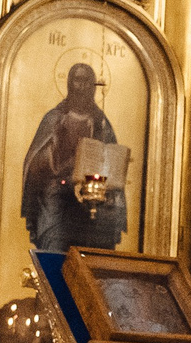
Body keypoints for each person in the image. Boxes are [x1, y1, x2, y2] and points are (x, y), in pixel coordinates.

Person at [21, 62, 127, 253]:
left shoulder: (101, 123)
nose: (83, 86)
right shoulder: (54, 118)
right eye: (78, 80)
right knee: (54, 244)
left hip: (90, 195)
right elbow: (35, 162)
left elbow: (109, 158)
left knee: (95, 241)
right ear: (69, 83)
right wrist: (62, 164)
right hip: (57, 191)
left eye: (88, 81)